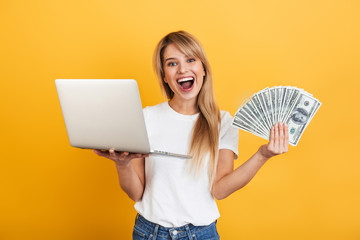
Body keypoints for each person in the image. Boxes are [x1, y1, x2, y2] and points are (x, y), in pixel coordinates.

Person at [94, 31, 289, 240]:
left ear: (203, 68)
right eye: (172, 64)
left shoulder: (222, 122)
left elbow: (220, 189)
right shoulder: (145, 118)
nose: (182, 69)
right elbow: (136, 193)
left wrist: (262, 155)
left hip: (201, 234)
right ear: (164, 77)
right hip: (149, 233)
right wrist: (122, 164)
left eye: (190, 59)